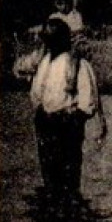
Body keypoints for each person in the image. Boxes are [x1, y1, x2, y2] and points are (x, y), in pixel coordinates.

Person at [29, 19, 106, 203]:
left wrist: (74, 119)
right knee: (49, 170)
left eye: (52, 39)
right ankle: (52, 203)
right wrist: (40, 113)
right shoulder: (45, 62)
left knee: (68, 171)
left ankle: (69, 206)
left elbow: (88, 99)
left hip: (67, 124)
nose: (49, 43)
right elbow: (37, 92)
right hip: (45, 123)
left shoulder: (78, 64)